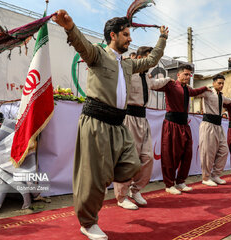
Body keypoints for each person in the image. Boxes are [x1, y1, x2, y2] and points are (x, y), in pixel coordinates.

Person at [53, 10, 169, 239]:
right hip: (96, 121)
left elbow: (152, 60)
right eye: (126, 34)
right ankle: (88, 223)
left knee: (133, 164)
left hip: (118, 125)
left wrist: (162, 39)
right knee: (93, 179)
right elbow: (81, 44)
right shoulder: (97, 55)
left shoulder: (128, 64)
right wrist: (70, 27)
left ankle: (105, 181)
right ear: (113, 35)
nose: (130, 39)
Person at [113, 46, 172, 210]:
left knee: (147, 158)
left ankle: (135, 189)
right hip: (129, 118)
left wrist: (168, 80)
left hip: (143, 119)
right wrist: (123, 62)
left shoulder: (146, 76)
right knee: (128, 158)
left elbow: (154, 84)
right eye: (147, 58)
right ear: (139, 58)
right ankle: (121, 196)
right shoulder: (127, 72)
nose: (150, 62)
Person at [154, 64, 209, 194]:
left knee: (187, 154)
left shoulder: (187, 89)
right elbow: (153, 86)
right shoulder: (170, 85)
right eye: (185, 74)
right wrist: (166, 79)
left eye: (190, 75)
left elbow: (195, 92)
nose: (188, 77)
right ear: (178, 75)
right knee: (170, 155)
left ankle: (180, 182)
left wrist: (206, 87)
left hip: (184, 125)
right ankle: (169, 185)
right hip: (171, 124)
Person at [197, 74, 231, 187]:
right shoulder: (207, 92)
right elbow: (194, 93)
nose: (221, 85)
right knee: (208, 152)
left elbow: (230, 101)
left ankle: (215, 175)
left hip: (218, 126)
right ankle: (205, 177)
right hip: (208, 125)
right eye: (219, 83)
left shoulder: (221, 96)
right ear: (213, 83)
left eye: (223, 83)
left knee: (224, 151)